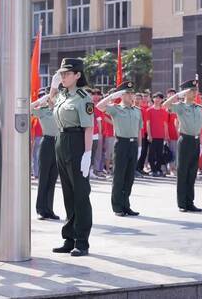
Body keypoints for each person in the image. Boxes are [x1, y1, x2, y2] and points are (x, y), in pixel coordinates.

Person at [50, 58, 94, 257]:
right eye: (62, 74)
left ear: (77, 75)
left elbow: (88, 128)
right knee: (68, 193)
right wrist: (53, 88)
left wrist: (87, 154)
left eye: (67, 73)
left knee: (80, 194)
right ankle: (69, 238)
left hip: (77, 143)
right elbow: (51, 104)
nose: (63, 77)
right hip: (61, 141)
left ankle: (82, 241)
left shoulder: (83, 97)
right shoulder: (62, 95)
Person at [97, 81, 142, 217]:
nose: (130, 95)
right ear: (121, 95)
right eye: (127, 93)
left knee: (129, 177)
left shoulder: (137, 111)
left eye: (131, 93)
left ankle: (126, 205)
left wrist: (139, 146)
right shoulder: (116, 108)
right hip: (121, 144)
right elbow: (99, 106)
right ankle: (117, 206)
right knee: (119, 176)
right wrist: (112, 96)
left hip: (133, 144)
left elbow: (139, 130)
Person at [163, 79, 202, 213]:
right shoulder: (180, 106)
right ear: (186, 92)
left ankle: (190, 202)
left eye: (195, 90)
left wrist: (201, 141)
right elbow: (165, 105)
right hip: (185, 140)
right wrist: (179, 94)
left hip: (196, 141)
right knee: (183, 172)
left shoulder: (198, 107)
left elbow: (201, 125)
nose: (194, 92)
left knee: (192, 173)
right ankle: (182, 203)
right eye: (191, 90)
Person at [30, 91, 60, 220]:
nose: (54, 98)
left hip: (59, 143)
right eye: (52, 96)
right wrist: (41, 100)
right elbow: (27, 109)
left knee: (53, 178)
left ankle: (49, 209)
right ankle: (41, 209)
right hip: (47, 142)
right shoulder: (43, 110)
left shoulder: (61, 109)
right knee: (44, 177)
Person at [146, 92, 168, 177]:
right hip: (153, 136)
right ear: (153, 99)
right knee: (151, 154)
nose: (157, 100)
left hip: (161, 136)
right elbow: (148, 123)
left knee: (160, 154)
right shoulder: (149, 110)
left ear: (162, 100)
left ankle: (158, 169)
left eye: (159, 98)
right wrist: (149, 135)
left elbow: (165, 124)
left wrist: (166, 135)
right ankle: (153, 169)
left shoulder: (164, 111)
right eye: (156, 98)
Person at [165, 88, 179, 175]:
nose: (171, 96)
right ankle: (167, 168)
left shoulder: (178, 107)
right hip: (167, 134)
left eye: (173, 94)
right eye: (169, 94)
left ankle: (173, 168)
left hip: (176, 133)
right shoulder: (165, 107)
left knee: (175, 152)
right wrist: (166, 135)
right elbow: (164, 123)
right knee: (167, 151)